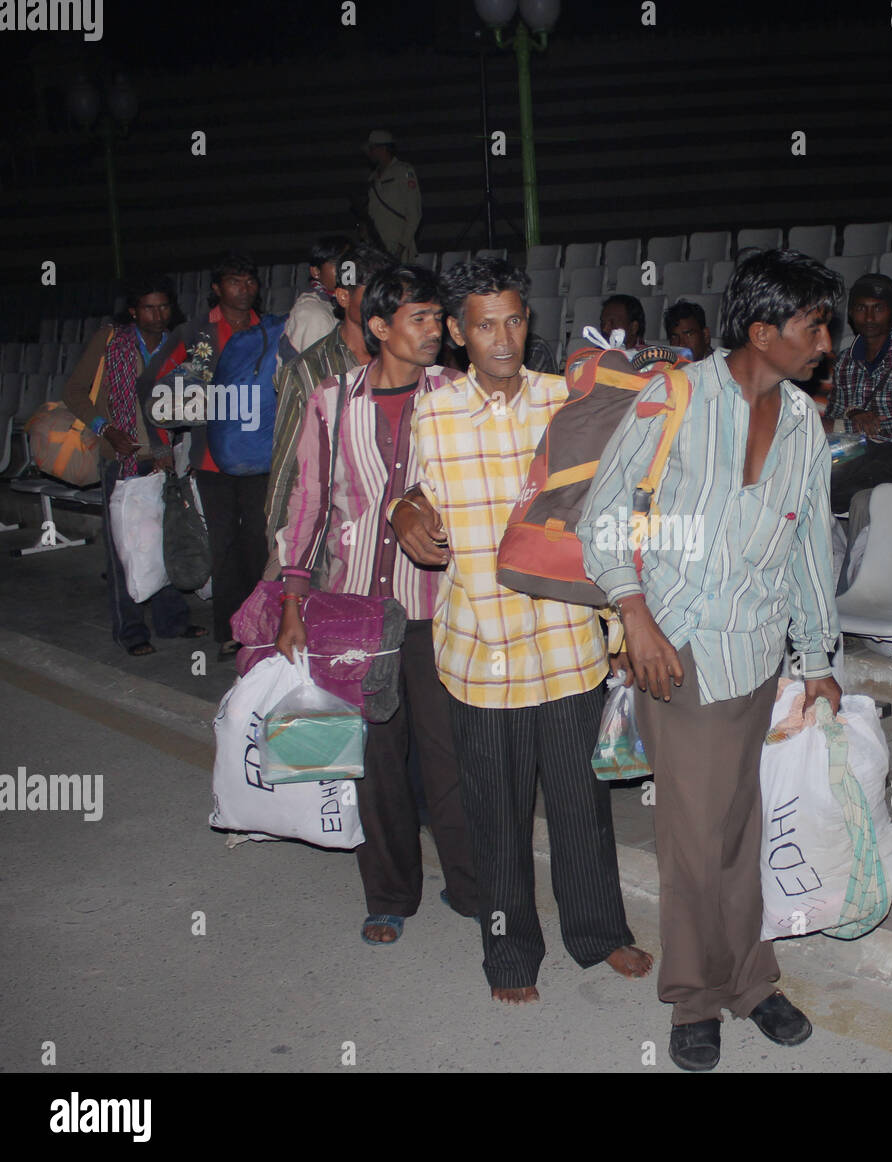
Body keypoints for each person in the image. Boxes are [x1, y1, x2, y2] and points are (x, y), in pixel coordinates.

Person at [578, 249, 843, 1071]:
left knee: (737, 828)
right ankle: (698, 997)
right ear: (762, 331)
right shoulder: (676, 396)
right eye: (813, 326)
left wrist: (817, 655)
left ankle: (751, 983)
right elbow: (604, 515)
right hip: (679, 650)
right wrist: (635, 617)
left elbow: (809, 545)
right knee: (694, 839)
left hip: (757, 652)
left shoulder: (802, 421)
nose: (826, 342)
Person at [389, 258, 652, 1004]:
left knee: (580, 805)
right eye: (484, 325)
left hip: (566, 642)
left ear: (528, 322)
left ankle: (597, 934)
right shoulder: (431, 412)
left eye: (513, 320)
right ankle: (509, 954)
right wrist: (403, 509)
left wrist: (621, 628)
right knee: (495, 817)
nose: (502, 339)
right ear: (457, 333)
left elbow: (614, 511)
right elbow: (401, 489)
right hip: (480, 650)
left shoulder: (568, 402)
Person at [274, 264, 477, 944]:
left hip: (439, 606)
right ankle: (390, 893)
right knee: (375, 759)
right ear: (381, 327)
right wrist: (293, 600)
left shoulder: (457, 394)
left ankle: (471, 885)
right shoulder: (332, 401)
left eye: (438, 318)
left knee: (450, 755)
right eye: (421, 318)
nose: (436, 330)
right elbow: (308, 504)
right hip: (357, 612)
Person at [62, 274, 206, 655]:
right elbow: (73, 392)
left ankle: (172, 620)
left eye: (163, 306)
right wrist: (106, 429)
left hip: (166, 459)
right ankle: (130, 630)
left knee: (167, 540)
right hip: (123, 458)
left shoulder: (179, 344)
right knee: (125, 548)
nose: (157, 315)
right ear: (133, 311)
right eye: (148, 308)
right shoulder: (112, 341)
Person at [139, 251, 267, 658]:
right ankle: (229, 629)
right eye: (234, 281)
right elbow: (152, 383)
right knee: (224, 544)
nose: (243, 289)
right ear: (216, 288)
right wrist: (162, 440)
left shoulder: (269, 331)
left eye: (249, 281)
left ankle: (260, 626)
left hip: (261, 456)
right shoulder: (196, 333)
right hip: (212, 458)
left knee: (260, 542)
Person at [264, 242, 392, 563]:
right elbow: (287, 468)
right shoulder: (309, 370)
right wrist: (282, 554)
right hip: (337, 539)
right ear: (344, 297)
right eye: (372, 294)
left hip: (396, 531)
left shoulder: (404, 360)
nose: (384, 304)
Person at [823, 272, 892, 513]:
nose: (869, 317)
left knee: (854, 480)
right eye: (861, 308)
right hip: (848, 450)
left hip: (890, 453)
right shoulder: (844, 361)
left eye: (878, 308)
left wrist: (856, 425)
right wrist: (854, 414)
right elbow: (832, 416)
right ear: (851, 314)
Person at [280, 235, 349, 362]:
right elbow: (320, 371)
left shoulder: (345, 303)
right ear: (316, 271)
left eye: (350, 263)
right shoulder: (314, 313)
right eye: (337, 263)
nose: (346, 270)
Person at [365, 130, 422, 262]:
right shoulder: (373, 177)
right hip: (378, 248)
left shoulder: (403, 171)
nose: (369, 153)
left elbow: (414, 214)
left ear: (383, 148)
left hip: (398, 247)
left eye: (372, 149)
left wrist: (401, 247)